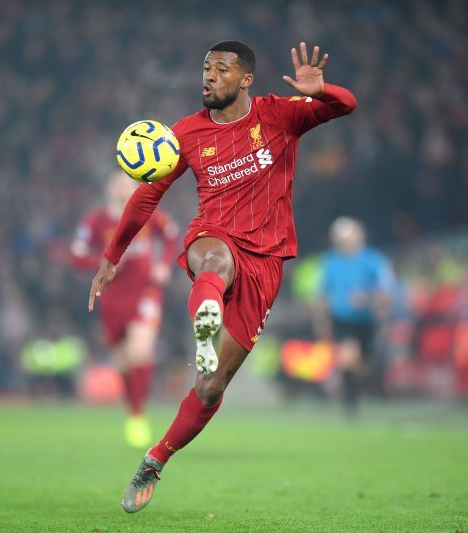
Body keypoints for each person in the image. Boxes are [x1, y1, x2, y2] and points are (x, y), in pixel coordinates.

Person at [88, 40, 357, 512]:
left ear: (245, 78)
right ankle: (205, 314)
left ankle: (155, 459)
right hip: (213, 237)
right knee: (213, 263)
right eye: (205, 69)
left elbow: (347, 104)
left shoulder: (280, 115)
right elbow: (146, 198)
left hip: (267, 261)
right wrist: (113, 255)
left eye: (220, 70)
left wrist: (321, 90)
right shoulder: (185, 134)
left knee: (211, 388)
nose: (208, 77)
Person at [71, 171, 178, 448]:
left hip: (145, 291)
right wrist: (104, 262)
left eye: (129, 185)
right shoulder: (96, 221)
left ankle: (139, 414)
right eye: (119, 184)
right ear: (109, 188)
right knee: (124, 362)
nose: (124, 189)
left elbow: (171, 234)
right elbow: (77, 255)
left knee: (141, 351)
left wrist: (164, 264)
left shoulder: (146, 214)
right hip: (112, 298)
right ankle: (132, 410)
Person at [313, 217, 395, 418]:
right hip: (342, 319)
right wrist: (322, 322)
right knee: (348, 358)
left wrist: (368, 299)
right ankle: (350, 403)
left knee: (364, 365)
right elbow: (322, 295)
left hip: (367, 320)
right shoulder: (330, 262)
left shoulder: (373, 260)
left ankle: (355, 390)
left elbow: (387, 294)